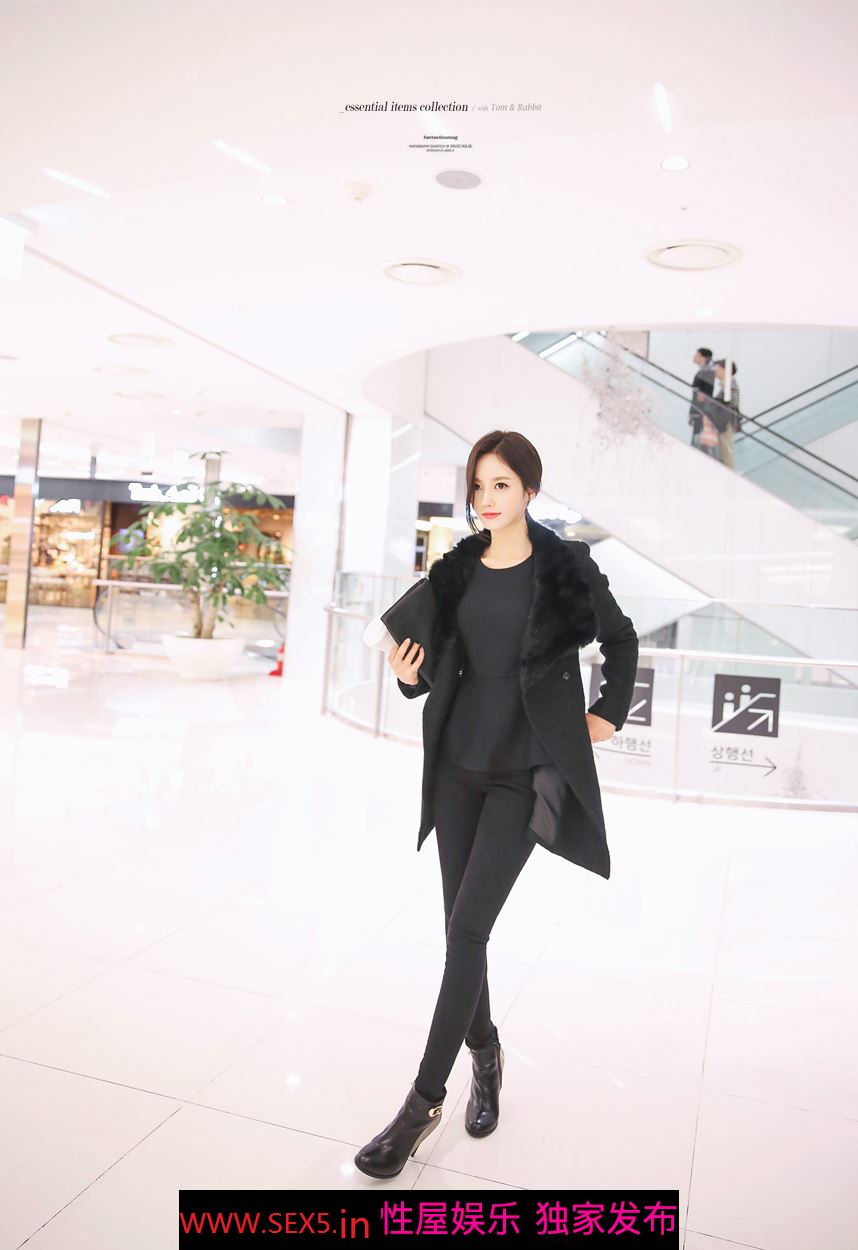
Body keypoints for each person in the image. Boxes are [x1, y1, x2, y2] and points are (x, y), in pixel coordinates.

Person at [353, 429, 639, 1179]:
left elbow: (622, 638)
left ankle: (419, 1108)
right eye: (478, 485)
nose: (486, 498)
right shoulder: (455, 572)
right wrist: (407, 674)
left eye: (501, 484)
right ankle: (486, 1054)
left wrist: (608, 712)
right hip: (456, 767)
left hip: (525, 771)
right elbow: (434, 672)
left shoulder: (565, 566)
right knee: (461, 932)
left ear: (530, 491)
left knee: (469, 927)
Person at [707, 359, 741, 470]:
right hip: (725, 421)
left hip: (726, 422)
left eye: (717, 368)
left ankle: (729, 474)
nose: (715, 371)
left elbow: (725, 404)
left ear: (725, 370)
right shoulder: (727, 384)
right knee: (724, 451)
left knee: (726, 451)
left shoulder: (729, 384)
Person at [689, 347, 715, 449]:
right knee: (696, 438)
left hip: (701, 411)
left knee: (698, 440)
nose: (694, 357)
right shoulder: (702, 371)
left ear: (704, 358)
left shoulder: (708, 372)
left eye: (697, 355)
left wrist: (695, 412)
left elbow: (702, 395)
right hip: (698, 410)